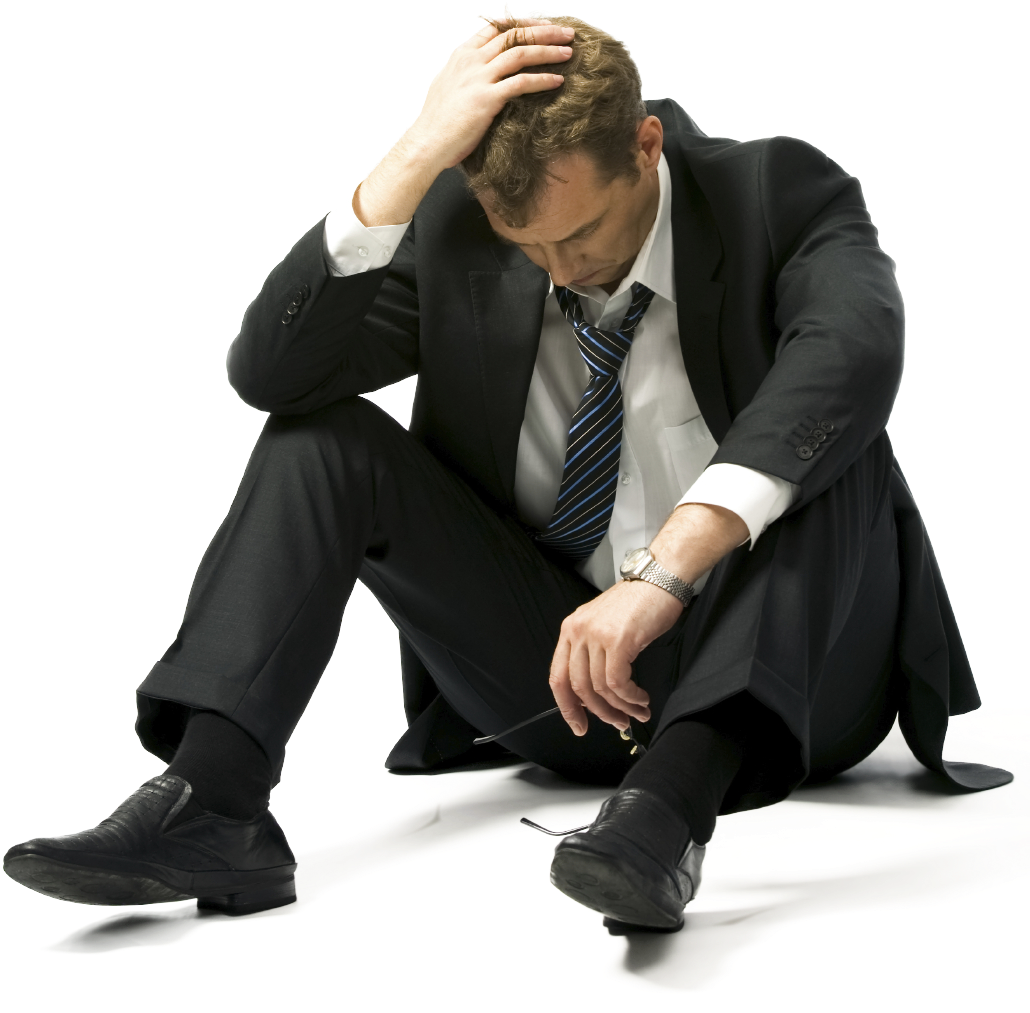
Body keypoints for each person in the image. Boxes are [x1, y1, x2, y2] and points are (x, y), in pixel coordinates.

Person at [2, 6, 1012, 932]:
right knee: (320, 438)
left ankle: (667, 815)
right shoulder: (467, 232)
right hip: (563, 684)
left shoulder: (774, 192)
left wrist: (659, 576)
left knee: (834, 437)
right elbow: (274, 375)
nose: (560, 270)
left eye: (581, 231)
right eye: (526, 243)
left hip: (795, 684)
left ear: (646, 147)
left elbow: (854, 353)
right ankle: (213, 802)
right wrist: (412, 154)